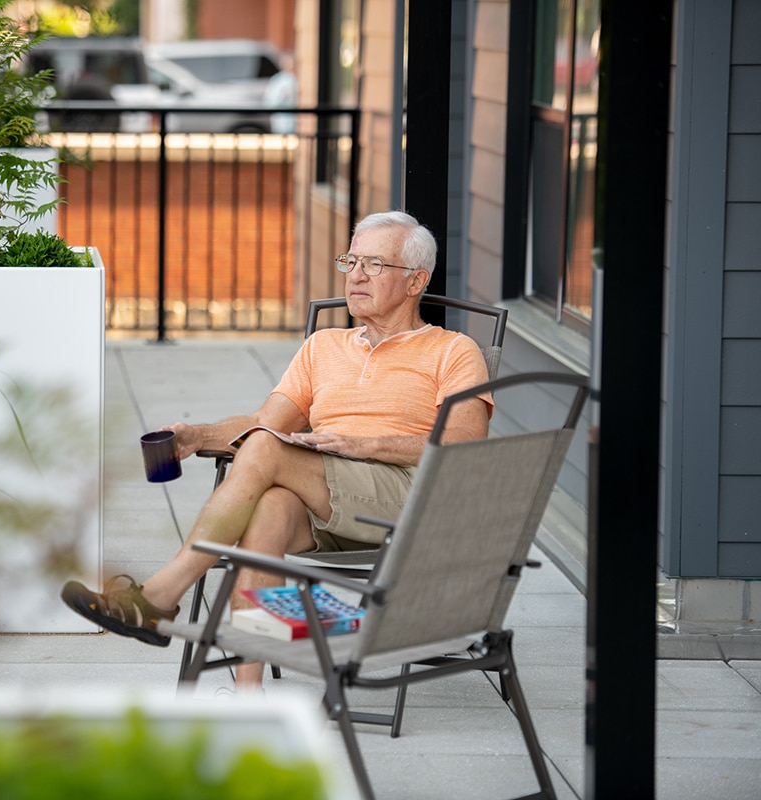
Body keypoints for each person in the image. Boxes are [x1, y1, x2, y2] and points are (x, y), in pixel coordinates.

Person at [62, 210, 494, 690]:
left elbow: (465, 445)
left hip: (404, 495)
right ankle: (250, 696)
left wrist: (364, 442)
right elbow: (264, 424)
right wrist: (196, 436)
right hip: (327, 495)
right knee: (268, 507)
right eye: (351, 261)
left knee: (267, 450)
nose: (355, 274)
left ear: (416, 281)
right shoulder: (323, 346)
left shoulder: (454, 351)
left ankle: (162, 592)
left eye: (374, 264)